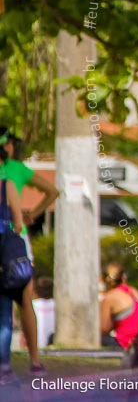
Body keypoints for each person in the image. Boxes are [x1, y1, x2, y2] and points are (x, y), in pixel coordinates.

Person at [0, 126, 58, 375]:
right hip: (15, 247)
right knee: (25, 302)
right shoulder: (16, 171)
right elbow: (53, 191)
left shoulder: (15, 170)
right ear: (8, 145)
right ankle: (34, 361)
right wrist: (31, 214)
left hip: (9, 246)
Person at [0, 175, 23, 387]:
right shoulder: (6, 186)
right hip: (2, 263)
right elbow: (18, 225)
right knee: (4, 316)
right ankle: (4, 369)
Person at [99, 263, 138, 349]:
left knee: (97, 338)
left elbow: (104, 329)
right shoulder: (133, 291)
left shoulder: (109, 298)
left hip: (126, 343)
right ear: (123, 278)